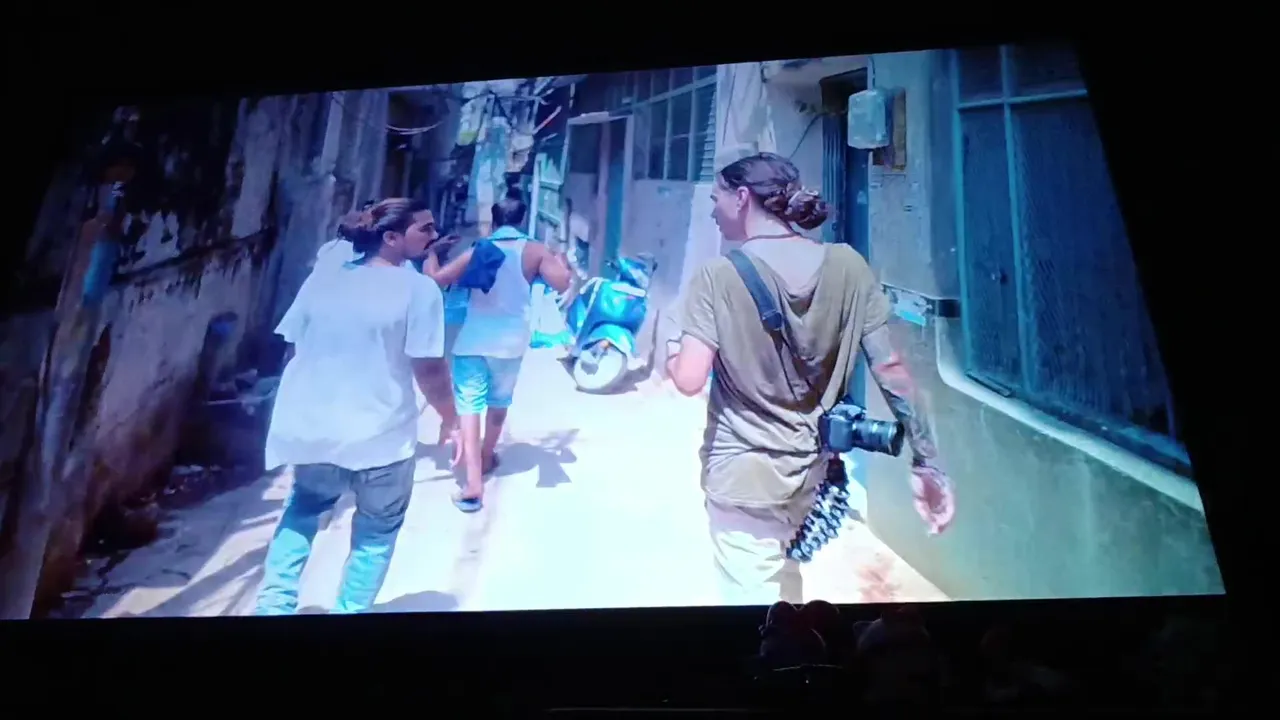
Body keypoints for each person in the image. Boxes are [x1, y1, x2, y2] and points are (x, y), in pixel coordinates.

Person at [664, 152, 956, 606]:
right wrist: (927, 462)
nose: (713, 210)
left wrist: (671, 349)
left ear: (742, 198)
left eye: (717, 198)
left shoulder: (717, 276)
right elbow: (891, 370)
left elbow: (688, 379)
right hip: (811, 477)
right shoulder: (848, 266)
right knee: (786, 593)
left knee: (755, 611)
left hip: (743, 481)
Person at [253, 198, 451, 615]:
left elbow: (294, 346)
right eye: (425, 229)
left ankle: (272, 607)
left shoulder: (325, 277)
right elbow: (429, 369)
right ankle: (350, 612)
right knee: (376, 533)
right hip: (382, 438)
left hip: (315, 431)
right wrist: (451, 418)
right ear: (391, 237)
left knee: (303, 510)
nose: (434, 236)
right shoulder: (419, 290)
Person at [447, 194, 573, 512]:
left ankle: (473, 483)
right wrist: (561, 260)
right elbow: (562, 283)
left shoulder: (479, 249)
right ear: (522, 219)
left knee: (469, 407)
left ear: (495, 219)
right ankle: (487, 454)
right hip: (511, 341)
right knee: (499, 402)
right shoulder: (534, 251)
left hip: (472, 339)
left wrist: (432, 256)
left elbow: (440, 279)